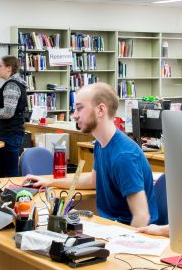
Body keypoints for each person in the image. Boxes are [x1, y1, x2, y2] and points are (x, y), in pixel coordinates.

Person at [25, 83, 157, 227]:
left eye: (80, 108)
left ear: (100, 110)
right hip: (112, 225)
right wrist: (50, 182)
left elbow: (142, 217)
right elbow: (92, 180)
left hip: (129, 232)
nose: (74, 115)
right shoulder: (101, 144)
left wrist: (119, 245)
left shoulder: (123, 156)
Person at [0, 56, 27, 177]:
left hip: (9, 135)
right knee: (0, 171)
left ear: (9, 68)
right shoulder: (13, 84)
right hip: (6, 135)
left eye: (0, 66)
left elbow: (8, 113)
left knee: (7, 174)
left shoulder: (12, 86)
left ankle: (9, 195)